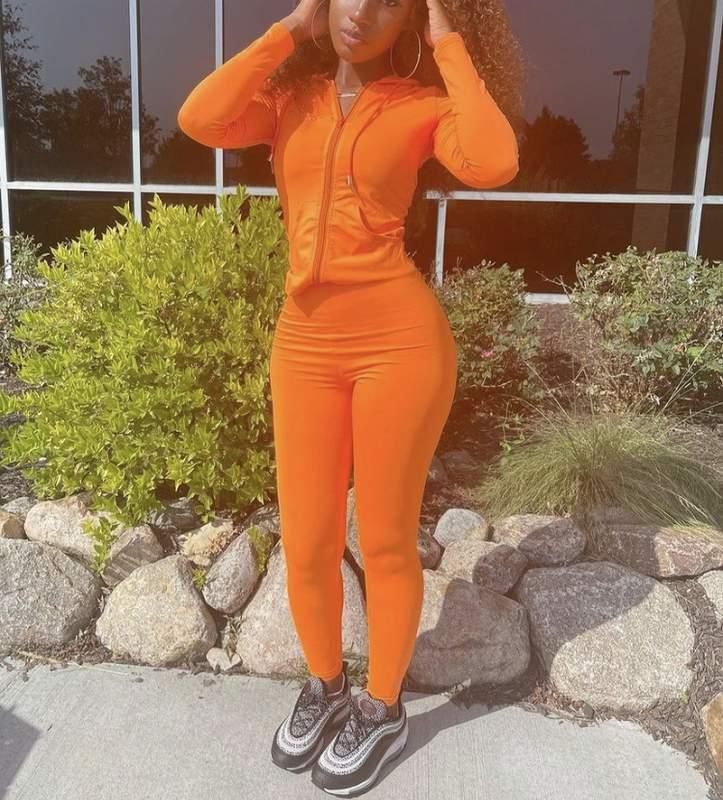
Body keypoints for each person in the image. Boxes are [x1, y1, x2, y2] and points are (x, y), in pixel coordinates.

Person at [177, 0, 518, 793]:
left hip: (399, 344)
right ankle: (326, 686)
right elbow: (200, 118)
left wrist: (448, 43)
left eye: (389, 0)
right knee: (306, 540)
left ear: (411, 20)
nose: (360, 12)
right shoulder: (287, 102)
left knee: (387, 541)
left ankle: (382, 705)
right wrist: (288, 30)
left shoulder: (423, 107)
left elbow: (494, 161)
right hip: (302, 345)